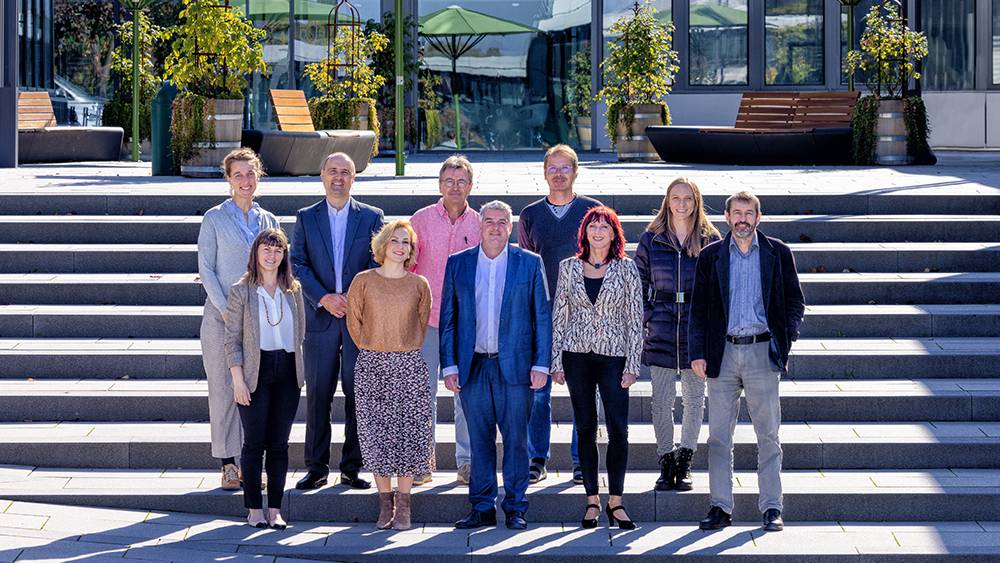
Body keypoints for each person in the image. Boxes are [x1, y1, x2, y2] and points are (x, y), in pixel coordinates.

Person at [689, 191, 805, 533]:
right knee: (718, 437)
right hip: (722, 354)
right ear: (726, 217)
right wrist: (697, 352)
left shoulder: (777, 252)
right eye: (736, 213)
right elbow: (698, 309)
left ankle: (771, 507)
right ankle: (720, 507)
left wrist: (785, 341)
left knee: (768, 435)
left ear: (758, 217)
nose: (742, 219)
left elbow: (795, 302)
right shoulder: (711, 256)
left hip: (762, 351)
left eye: (748, 213)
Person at [441, 201, 551, 531]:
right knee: (479, 440)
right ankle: (482, 507)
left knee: (516, 440)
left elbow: (542, 317)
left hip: (516, 367)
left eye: (502, 222)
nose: (495, 227)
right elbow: (449, 318)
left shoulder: (529, 263)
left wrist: (541, 364)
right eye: (489, 221)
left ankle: (515, 507)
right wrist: (449, 365)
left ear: (510, 227)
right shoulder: (458, 263)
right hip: (473, 366)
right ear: (479, 225)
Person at [291, 152, 384, 491]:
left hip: (359, 320)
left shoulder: (372, 216)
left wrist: (353, 300)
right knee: (318, 394)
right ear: (322, 175)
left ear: (353, 178)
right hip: (321, 318)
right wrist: (324, 297)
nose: (339, 177)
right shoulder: (306, 217)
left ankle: (352, 467)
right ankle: (316, 468)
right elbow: (297, 263)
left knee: (358, 392)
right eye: (333, 171)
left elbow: (378, 263)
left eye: (345, 172)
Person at [550, 206, 642, 530]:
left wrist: (633, 364)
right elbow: (559, 314)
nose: (599, 232)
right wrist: (555, 361)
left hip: (615, 357)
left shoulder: (627, 268)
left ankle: (616, 502)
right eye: (593, 226)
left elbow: (635, 318)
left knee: (618, 428)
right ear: (584, 233)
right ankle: (592, 500)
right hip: (576, 355)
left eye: (605, 226)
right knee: (586, 428)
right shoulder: (568, 267)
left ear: (614, 233)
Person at [517, 144, 602, 485]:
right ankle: (537, 458)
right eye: (552, 167)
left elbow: (607, 259)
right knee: (539, 391)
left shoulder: (592, 211)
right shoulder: (530, 215)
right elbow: (525, 267)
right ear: (544, 172)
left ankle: (582, 459)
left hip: (583, 315)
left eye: (565, 167)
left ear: (575, 172)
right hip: (542, 313)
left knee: (583, 390)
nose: (558, 173)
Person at [197, 148, 280, 490]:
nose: (245, 181)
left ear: (259, 176)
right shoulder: (214, 219)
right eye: (238, 175)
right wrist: (226, 311)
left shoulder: (269, 221)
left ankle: (251, 462)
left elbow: (278, 268)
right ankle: (228, 464)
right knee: (223, 390)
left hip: (259, 322)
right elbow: (206, 270)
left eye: (250, 174)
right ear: (229, 179)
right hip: (221, 319)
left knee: (256, 393)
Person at [634, 178, 721, 492]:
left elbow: (719, 287)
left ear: (696, 202)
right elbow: (638, 281)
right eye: (676, 198)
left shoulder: (710, 238)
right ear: (667, 202)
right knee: (661, 400)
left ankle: (685, 460)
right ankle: (666, 459)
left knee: (694, 399)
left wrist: (710, 326)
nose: (681, 204)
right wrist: (648, 315)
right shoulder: (652, 238)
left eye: (688, 198)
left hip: (696, 329)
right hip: (661, 326)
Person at [347, 220, 433, 531]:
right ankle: (385, 504)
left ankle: (405, 505)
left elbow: (421, 324)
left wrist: (401, 348)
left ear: (411, 250)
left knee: (408, 433)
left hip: (409, 365)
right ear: (383, 245)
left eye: (406, 242)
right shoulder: (363, 281)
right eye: (395, 240)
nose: (400, 246)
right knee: (376, 435)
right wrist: (375, 347)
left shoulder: (419, 284)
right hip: (372, 364)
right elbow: (354, 321)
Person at [224, 228, 305, 530]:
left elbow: (300, 333)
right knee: (254, 443)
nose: (272, 255)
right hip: (254, 372)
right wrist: (238, 380)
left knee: (279, 444)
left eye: (278, 250)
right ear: (256, 253)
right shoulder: (241, 291)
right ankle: (254, 509)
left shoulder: (293, 290)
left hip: (287, 371)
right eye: (266, 249)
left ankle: (275, 509)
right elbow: (232, 340)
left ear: (284, 255)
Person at [409, 155, 481, 486]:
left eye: (461, 181)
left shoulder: (480, 223)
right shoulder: (420, 220)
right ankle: (422, 462)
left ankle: (467, 462)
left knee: (465, 394)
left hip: (465, 324)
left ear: (471, 186)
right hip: (427, 319)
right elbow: (407, 267)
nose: (455, 187)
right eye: (449, 181)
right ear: (440, 184)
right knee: (422, 392)